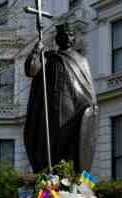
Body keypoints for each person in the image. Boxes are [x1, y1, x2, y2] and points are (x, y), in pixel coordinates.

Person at [24, 22, 99, 173]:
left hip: (72, 111)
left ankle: (67, 178)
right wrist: (36, 52)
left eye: (70, 34)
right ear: (57, 38)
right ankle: (49, 178)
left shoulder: (81, 60)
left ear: (74, 39)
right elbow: (31, 70)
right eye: (62, 35)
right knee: (48, 146)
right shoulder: (48, 58)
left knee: (68, 146)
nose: (66, 37)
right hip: (49, 111)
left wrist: (91, 110)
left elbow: (87, 88)